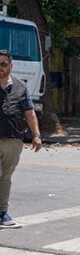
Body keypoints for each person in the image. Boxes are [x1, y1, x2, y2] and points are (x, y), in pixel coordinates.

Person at [0, 50, 42, 229]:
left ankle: (2, 212)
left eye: (3, 64)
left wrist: (36, 135)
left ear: (11, 66)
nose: (0, 67)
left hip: (13, 140)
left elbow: (29, 112)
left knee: (5, 177)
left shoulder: (20, 86)